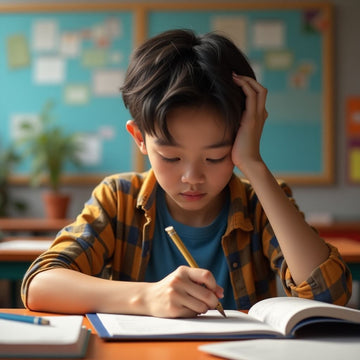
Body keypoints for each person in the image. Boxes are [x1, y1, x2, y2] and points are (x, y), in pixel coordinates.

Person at [21, 29, 352, 318]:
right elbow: (40, 283)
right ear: (139, 139)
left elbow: (329, 296)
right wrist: (147, 297)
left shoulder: (261, 202)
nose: (192, 177)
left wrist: (253, 163)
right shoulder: (118, 198)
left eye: (216, 157)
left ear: (240, 138)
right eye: (170, 156)